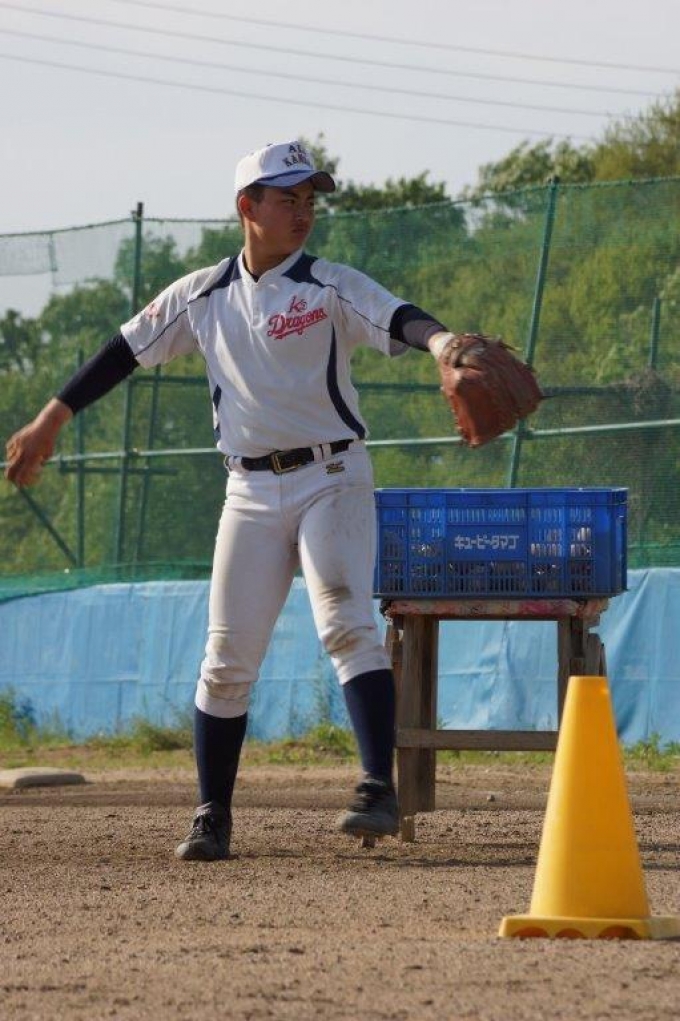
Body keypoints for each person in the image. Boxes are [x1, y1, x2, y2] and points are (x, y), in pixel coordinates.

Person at [5, 139, 459, 861]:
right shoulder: (202, 294)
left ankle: (378, 785)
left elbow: (400, 314)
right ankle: (212, 813)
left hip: (332, 475)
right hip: (247, 489)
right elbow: (122, 350)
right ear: (248, 206)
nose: (303, 212)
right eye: (288, 198)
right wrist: (50, 419)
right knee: (225, 659)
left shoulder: (328, 285)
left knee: (345, 621)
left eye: (310, 200)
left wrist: (442, 345)